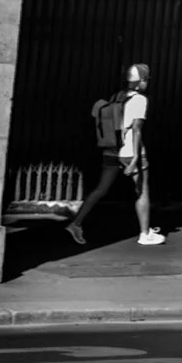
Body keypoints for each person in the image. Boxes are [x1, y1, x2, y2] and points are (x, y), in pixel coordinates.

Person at [68, 63, 159, 247]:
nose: (146, 83)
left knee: (100, 189)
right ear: (139, 81)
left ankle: (75, 223)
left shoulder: (116, 97)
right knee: (142, 192)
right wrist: (135, 159)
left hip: (111, 150)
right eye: (145, 80)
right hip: (130, 152)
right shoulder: (140, 100)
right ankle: (144, 234)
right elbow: (137, 129)